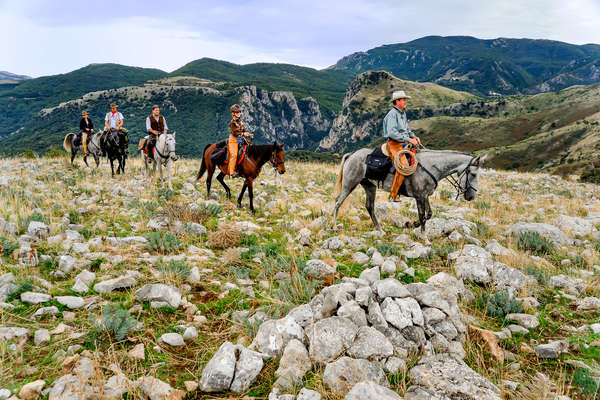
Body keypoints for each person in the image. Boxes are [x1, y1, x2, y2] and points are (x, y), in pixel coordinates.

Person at [383, 90, 421, 201]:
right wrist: (408, 139)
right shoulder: (392, 115)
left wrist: (413, 136)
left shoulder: (402, 113)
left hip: (403, 142)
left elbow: (406, 129)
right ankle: (393, 195)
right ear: (397, 101)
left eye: (405, 99)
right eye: (403, 99)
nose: (405, 101)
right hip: (394, 143)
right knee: (403, 166)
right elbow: (392, 133)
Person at [227, 104, 253, 176]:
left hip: (240, 139)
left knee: (248, 150)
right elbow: (235, 133)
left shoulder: (240, 121)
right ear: (233, 113)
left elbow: (243, 130)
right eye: (237, 112)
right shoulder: (232, 123)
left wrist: (248, 134)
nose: (239, 113)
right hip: (233, 140)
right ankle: (231, 172)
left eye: (239, 112)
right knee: (234, 155)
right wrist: (244, 134)